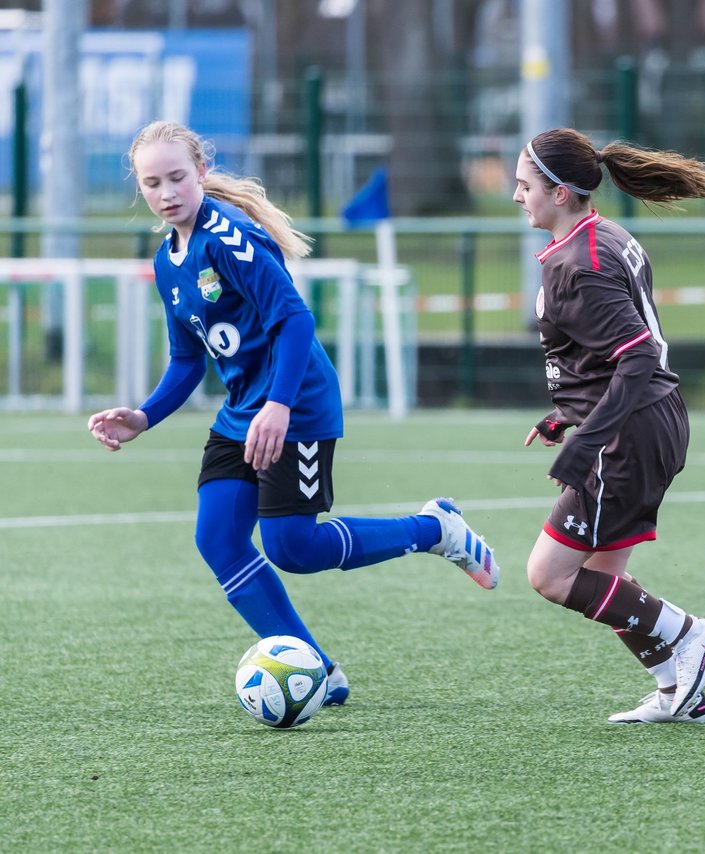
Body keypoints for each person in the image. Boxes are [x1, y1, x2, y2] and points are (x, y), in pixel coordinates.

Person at [88, 121, 499, 706]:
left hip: (296, 403)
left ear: (201, 172)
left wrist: (278, 406)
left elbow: (295, 320)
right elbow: (186, 360)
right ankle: (319, 671)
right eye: (153, 183)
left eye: (178, 177)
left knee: (292, 549)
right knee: (219, 539)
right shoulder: (167, 261)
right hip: (243, 412)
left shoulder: (229, 238)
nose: (167, 192)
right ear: (141, 188)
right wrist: (144, 416)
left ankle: (436, 530)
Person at [514, 128, 705, 724]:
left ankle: (692, 636)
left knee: (551, 575)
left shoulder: (577, 265)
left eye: (524, 185)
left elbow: (636, 358)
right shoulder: (605, 236)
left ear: (560, 194)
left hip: (624, 436)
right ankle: (675, 690)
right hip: (645, 421)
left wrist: (585, 440)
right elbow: (607, 353)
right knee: (606, 578)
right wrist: (568, 412)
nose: (516, 196)